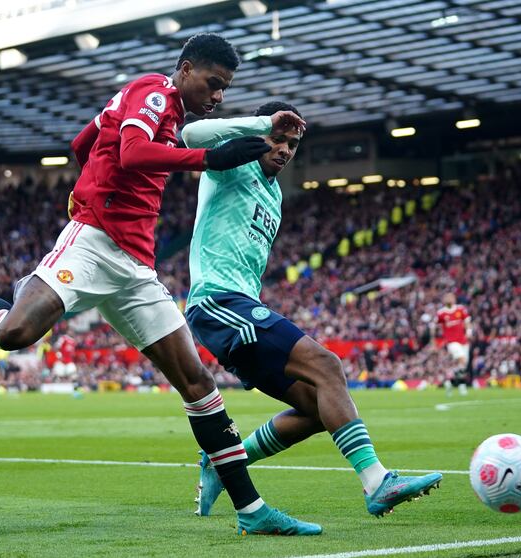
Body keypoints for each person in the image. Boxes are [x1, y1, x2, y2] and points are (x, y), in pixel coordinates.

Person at [0, 33, 318, 536]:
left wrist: (97, 171)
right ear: (185, 70)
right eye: (213, 83)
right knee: (14, 335)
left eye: (224, 88)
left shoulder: (167, 113)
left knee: (197, 383)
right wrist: (202, 163)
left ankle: (251, 511)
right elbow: (136, 155)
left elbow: (85, 142)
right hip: (94, 240)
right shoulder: (154, 93)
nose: (218, 95)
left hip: (136, 265)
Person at [181, 102, 442, 518]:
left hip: (244, 305)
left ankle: (223, 461)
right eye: (278, 139)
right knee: (327, 364)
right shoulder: (233, 162)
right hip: (217, 301)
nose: (284, 149)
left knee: (318, 407)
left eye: (292, 144)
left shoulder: (275, 193)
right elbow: (191, 137)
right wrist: (263, 125)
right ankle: (376, 482)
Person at [432, 293, 472, 395]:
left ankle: (449, 381)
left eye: (451, 297)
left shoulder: (460, 309)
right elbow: (433, 326)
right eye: (447, 297)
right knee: (462, 360)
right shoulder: (441, 313)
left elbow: (467, 320)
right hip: (452, 342)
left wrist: (468, 332)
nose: (449, 299)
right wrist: (433, 342)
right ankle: (461, 386)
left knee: (462, 366)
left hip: (463, 341)